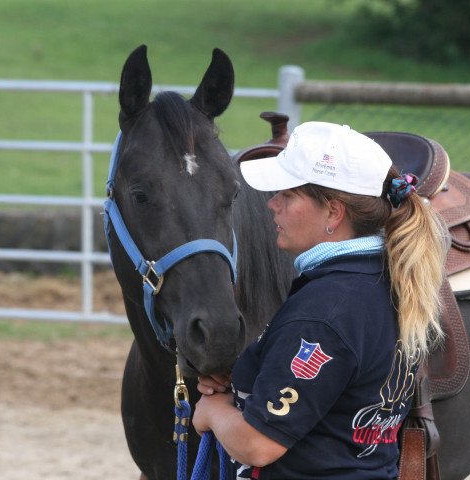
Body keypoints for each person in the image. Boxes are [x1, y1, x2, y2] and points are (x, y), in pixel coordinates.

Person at [192, 121, 448, 479]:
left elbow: (258, 445)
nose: (272, 205)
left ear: (333, 212)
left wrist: (215, 410)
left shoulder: (324, 312)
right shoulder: (388, 285)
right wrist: (245, 381)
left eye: (289, 195)